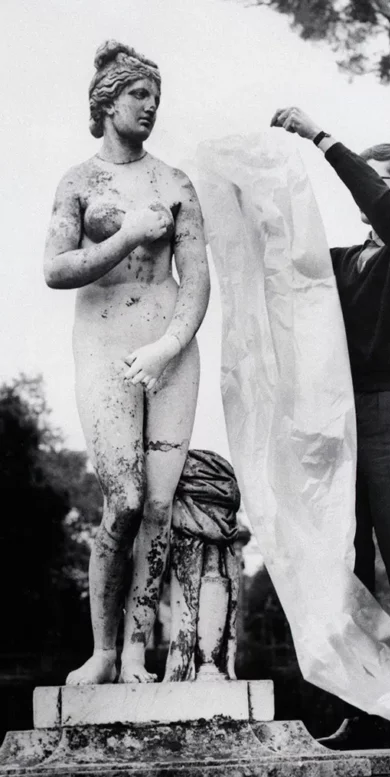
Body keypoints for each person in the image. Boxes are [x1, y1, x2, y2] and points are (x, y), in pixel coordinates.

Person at [271, 107, 390, 748]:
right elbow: (285, 255)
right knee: (351, 573)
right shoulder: (345, 261)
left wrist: (321, 138)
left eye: (376, 182)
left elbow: (373, 199)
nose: (363, 194)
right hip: (342, 421)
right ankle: (369, 708)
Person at [44, 41, 210, 685]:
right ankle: (105, 651)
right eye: (140, 96)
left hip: (169, 352)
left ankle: (142, 652)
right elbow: (56, 269)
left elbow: (196, 282)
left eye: (157, 99)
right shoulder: (79, 182)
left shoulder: (175, 183)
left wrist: (169, 346)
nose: (151, 108)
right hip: (106, 350)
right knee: (126, 498)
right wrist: (127, 235)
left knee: (163, 506)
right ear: (107, 101)